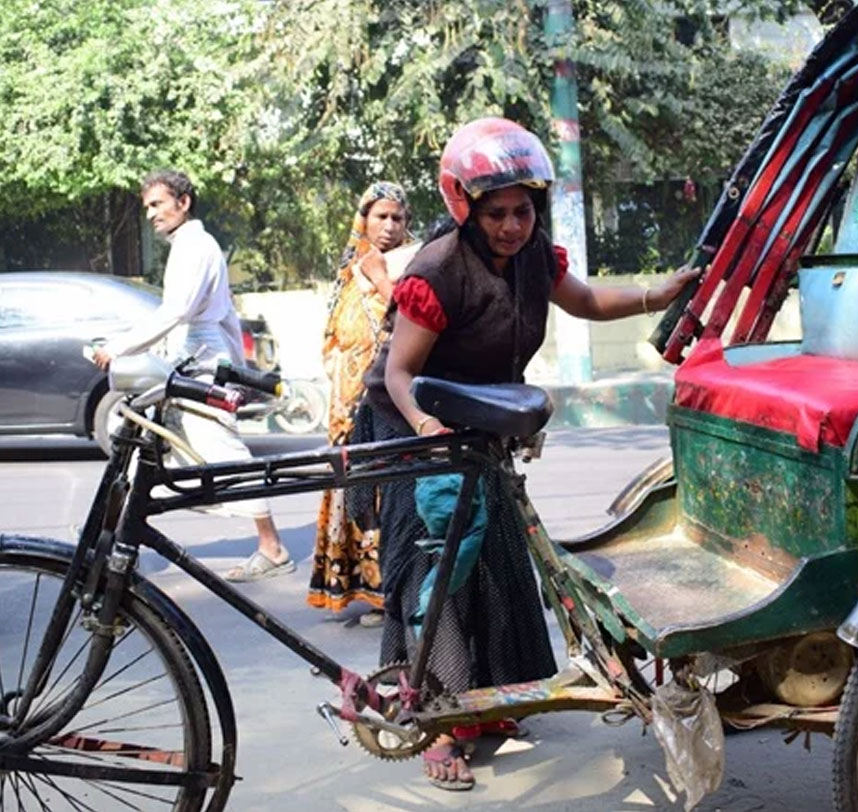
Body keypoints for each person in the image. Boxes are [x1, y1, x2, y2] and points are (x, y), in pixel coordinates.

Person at [363, 117, 698, 790]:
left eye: (523, 211)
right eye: (497, 214)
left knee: (495, 564)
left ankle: (486, 703)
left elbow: (586, 300)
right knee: (441, 575)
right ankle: (434, 723)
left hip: (478, 426)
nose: (513, 226)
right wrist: (427, 426)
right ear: (465, 206)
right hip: (417, 432)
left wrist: (656, 293)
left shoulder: (534, 255)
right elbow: (399, 375)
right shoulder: (436, 271)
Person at [93, 169, 293, 582]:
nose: (151, 214)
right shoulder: (187, 245)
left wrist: (120, 347)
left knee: (223, 453)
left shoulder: (196, 247)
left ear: (183, 203)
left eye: (158, 204)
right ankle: (114, 537)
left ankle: (272, 548)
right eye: (147, 207)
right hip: (188, 362)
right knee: (144, 448)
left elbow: (177, 311)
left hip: (202, 367)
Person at [308, 181, 414, 625]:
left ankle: (390, 591)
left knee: (386, 493)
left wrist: (381, 277)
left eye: (397, 218)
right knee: (353, 492)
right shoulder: (349, 270)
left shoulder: (411, 266)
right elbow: (333, 336)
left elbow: (412, 316)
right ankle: (364, 589)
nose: (388, 226)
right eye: (380, 217)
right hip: (347, 403)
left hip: (388, 405)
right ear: (363, 220)